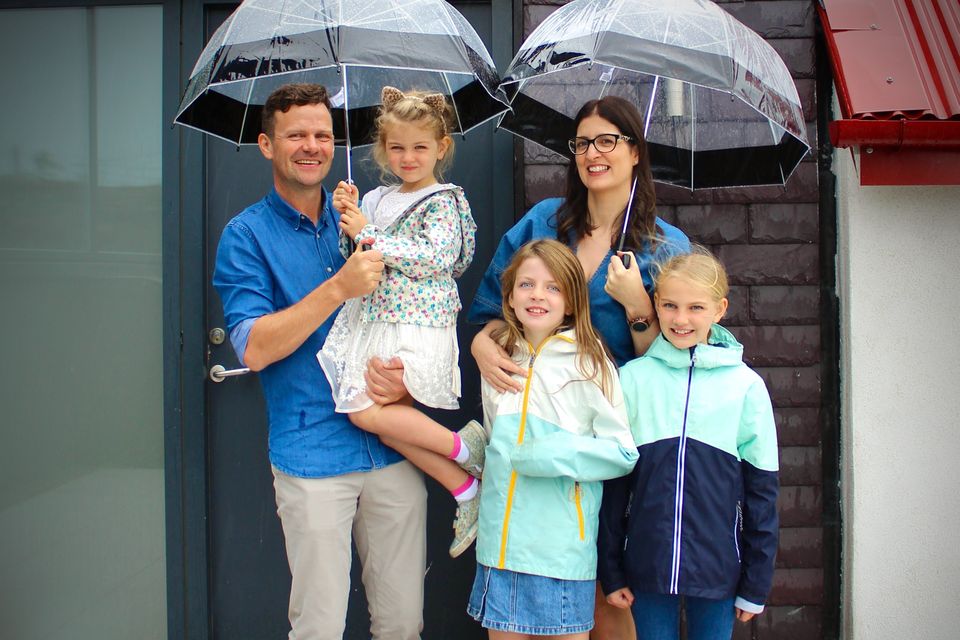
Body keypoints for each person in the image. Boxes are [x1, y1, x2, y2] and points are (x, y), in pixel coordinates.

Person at [468, 95, 690, 639]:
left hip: (614, 433)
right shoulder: (545, 221)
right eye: (584, 142)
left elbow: (676, 365)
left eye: (609, 140)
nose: (594, 153)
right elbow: (488, 311)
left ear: (636, 152)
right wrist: (481, 346)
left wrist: (638, 305)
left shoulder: (665, 247)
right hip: (541, 426)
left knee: (609, 583)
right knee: (546, 570)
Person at [212, 83, 426, 640]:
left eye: (322, 135)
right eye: (296, 135)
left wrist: (406, 375)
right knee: (319, 627)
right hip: (311, 455)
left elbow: (414, 311)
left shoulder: (366, 217)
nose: (312, 146)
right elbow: (254, 347)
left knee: (403, 623)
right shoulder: (246, 236)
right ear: (266, 144)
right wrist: (338, 288)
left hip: (391, 446)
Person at [318, 86, 486, 558]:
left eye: (419, 147)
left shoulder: (443, 200)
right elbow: (353, 259)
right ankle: (465, 487)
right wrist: (348, 217)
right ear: (382, 149)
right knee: (376, 417)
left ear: (441, 148)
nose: (407, 157)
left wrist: (368, 233)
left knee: (368, 413)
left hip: (417, 320)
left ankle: (466, 452)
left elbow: (437, 257)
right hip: (375, 318)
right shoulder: (375, 198)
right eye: (397, 147)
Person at [597, 250, 780, 640]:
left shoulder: (746, 388)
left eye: (696, 307)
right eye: (670, 305)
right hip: (646, 566)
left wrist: (756, 583)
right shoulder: (632, 380)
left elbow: (762, 494)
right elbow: (613, 485)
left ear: (720, 309)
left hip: (719, 570)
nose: (681, 319)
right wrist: (611, 570)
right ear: (656, 305)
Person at [466, 239, 639, 639]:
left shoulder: (590, 361)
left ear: (573, 302)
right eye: (526, 284)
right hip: (501, 550)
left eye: (553, 287)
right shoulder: (499, 358)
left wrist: (552, 453)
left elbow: (621, 453)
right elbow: (495, 441)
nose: (538, 295)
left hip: (559, 552)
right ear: (508, 298)